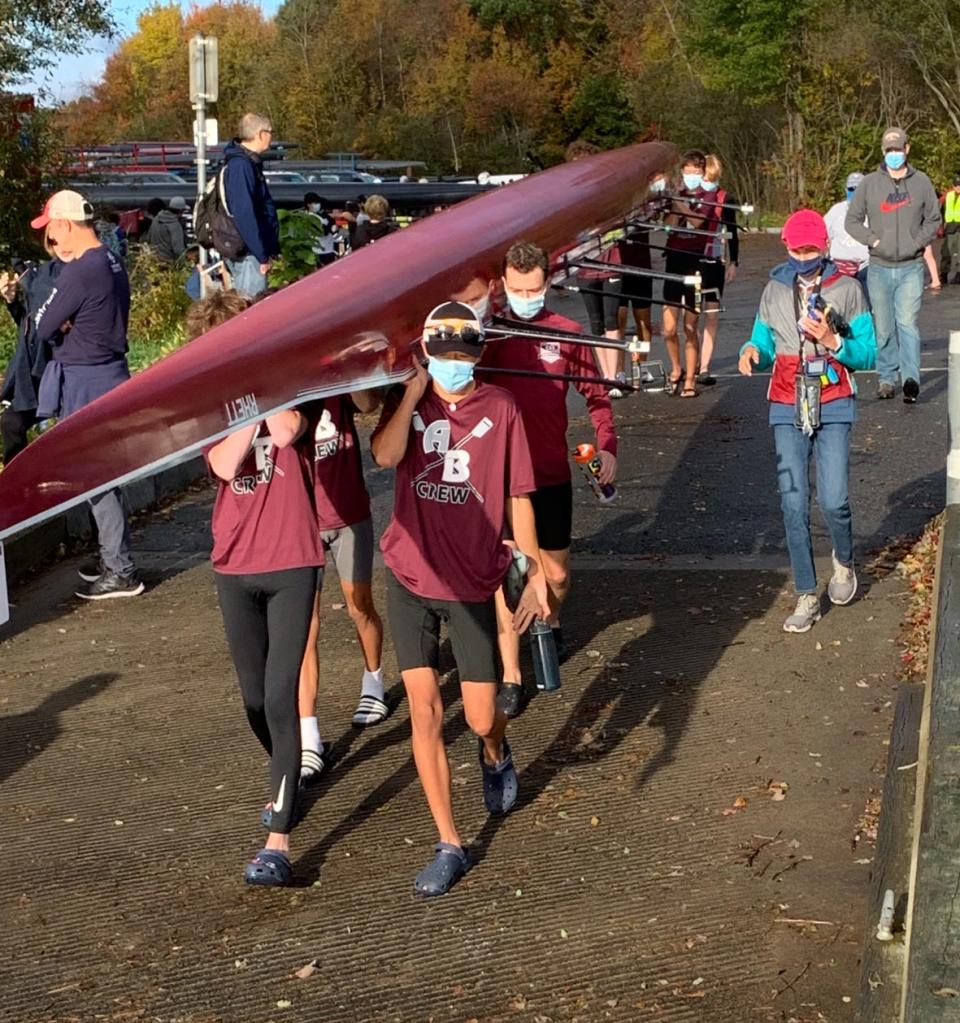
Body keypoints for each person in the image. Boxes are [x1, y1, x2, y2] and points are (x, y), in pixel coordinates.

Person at [371, 301, 549, 896]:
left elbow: (520, 494)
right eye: (442, 356)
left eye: (462, 357)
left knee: (477, 715)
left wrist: (533, 567)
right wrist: (411, 392)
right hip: (407, 574)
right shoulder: (412, 400)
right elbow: (386, 456)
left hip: (472, 578)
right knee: (424, 711)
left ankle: (495, 751)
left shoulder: (501, 408)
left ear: (478, 355)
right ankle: (449, 842)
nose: (453, 367)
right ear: (425, 353)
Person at [478, 241, 617, 716]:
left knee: (555, 573)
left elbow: (597, 397)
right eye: (517, 289)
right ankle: (512, 675)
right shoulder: (488, 336)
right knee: (508, 574)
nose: (526, 296)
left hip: (550, 472)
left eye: (534, 288)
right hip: (499, 479)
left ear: (548, 282)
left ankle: (550, 621)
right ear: (502, 286)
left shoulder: (569, 333)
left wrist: (607, 446)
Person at [738, 209, 876, 633]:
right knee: (792, 502)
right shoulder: (774, 290)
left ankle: (844, 561)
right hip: (785, 401)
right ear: (786, 248)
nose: (803, 256)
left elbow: (868, 353)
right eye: (796, 249)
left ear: (825, 247)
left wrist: (834, 342)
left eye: (811, 249)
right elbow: (761, 338)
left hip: (833, 400)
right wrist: (750, 351)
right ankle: (805, 592)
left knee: (833, 499)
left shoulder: (849, 290)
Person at [206, 397, 323, 887]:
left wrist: (267, 389)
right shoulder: (212, 413)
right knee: (254, 699)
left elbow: (284, 433)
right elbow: (225, 463)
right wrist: (240, 407)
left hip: (293, 563)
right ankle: (286, 770)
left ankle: (278, 840)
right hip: (234, 567)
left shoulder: (296, 402)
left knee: (280, 697)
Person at [29, 189, 142, 599]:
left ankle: (120, 568)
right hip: (110, 370)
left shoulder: (80, 271)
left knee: (96, 477)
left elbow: (42, 324)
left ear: (63, 224)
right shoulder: (110, 260)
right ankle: (113, 555)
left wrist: (60, 320)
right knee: (106, 473)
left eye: (51, 233)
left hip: (85, 378)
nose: (51, 242)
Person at [297, 387, 389, 784]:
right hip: (299, 522)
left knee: (359, 605)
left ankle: (374, 679)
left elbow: (370, 402)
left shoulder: (335, 384)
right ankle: (308, 736)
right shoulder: (285, 391)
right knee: (304, 627)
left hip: (349, 512)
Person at [845, 126, 941, 403]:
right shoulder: (869, 184)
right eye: (889, 151)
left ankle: (911, 379)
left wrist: (917, 243)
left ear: (907, 149)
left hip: (911, 266)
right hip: (879, 267)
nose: (894, 155)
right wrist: (874, 241)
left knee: (907, 323)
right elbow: (852, 221)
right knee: (884, 327)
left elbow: (934, 219)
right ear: (883, 152)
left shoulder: (921, 182)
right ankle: (886, 378)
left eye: (898, 149)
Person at [662, 149, 721, 397]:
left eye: (696, 172)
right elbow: (668, 226)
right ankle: (675, 368)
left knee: (690, 326)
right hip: (673, 261)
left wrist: (679, 203)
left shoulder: (708, 195)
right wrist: (675, 201)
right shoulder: (678, 194)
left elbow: (698, 222)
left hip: (696, 263)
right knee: (668, 328)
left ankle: (689, 378)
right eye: (687, 172)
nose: (691, 176)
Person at [0, 234, 61, 463]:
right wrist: (12, 302)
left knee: (15, 423)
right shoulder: (40, 284)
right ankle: (17, 484)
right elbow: (30, 327)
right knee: (11, 422)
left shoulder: (63, 276)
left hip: (57, 371)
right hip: (34, 377)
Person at [221, 112, 280, 297]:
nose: (271, 136)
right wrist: (261, 254)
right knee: (251, 307)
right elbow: (244, 213)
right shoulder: (242, 166)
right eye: (270, 131)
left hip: (250, 251)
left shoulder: (244, 162)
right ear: (261, 134)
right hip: (248, 253)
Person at [697, 154, 741, 386]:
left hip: (715, 262)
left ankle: (704, 366)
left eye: (713, 178)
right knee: (691, 315)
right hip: (693, 261)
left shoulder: (725, 198)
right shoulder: (691, 197)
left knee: (712, 315)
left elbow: (732, 231)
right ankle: (692, 359)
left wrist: (733, 261)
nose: (709, 182)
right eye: (706, 177)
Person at [824, 172, 870, 287]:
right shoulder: (836, 211)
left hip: (866, 267)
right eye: (852, 189)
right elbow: (824, 236)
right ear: (846, 190)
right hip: (839, 267)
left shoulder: (875, 212)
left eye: (859, 189)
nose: (855, 193)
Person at [144, 197, 186, 264]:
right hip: (169, 263)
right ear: (180, 211)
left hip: (155, 262)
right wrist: (183, 263)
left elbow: (148, 239)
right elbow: (178, 250)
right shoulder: (175, 225)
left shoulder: (156, 219)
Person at [301, 192, 337, 268]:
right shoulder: (309, 217)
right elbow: (322, 231)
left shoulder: (320, 215)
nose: (318, 205)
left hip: (328, 249)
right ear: (308, 204)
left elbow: (331, 221)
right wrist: (330, 228)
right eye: (315, 203)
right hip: (319, 252)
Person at [940, 174, 960, 285]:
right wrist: (940, 226)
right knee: (946, 252)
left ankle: (958, 274)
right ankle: (943, 274)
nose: (959, 187)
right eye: (957, 185)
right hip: (949, 228)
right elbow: (940, 210)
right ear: (953, 186)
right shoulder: (948, 196)